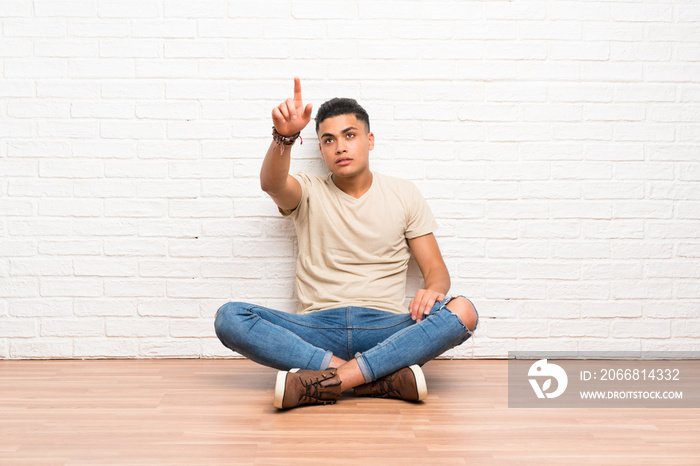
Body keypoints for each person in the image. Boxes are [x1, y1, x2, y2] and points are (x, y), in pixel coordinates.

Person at [214, 77, 479, 409]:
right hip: (316, 327)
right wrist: (284, 136)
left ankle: (328, 382)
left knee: (463, 310)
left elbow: (436, 270)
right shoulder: (307, 190)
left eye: (349, 136)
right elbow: (272, 183)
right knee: (229, 317)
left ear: (369, 140)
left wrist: (433, 290)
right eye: (328, 140)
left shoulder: (404, 193)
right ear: (321, 150)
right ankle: (376, 378)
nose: (340, 146)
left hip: (385, 325)